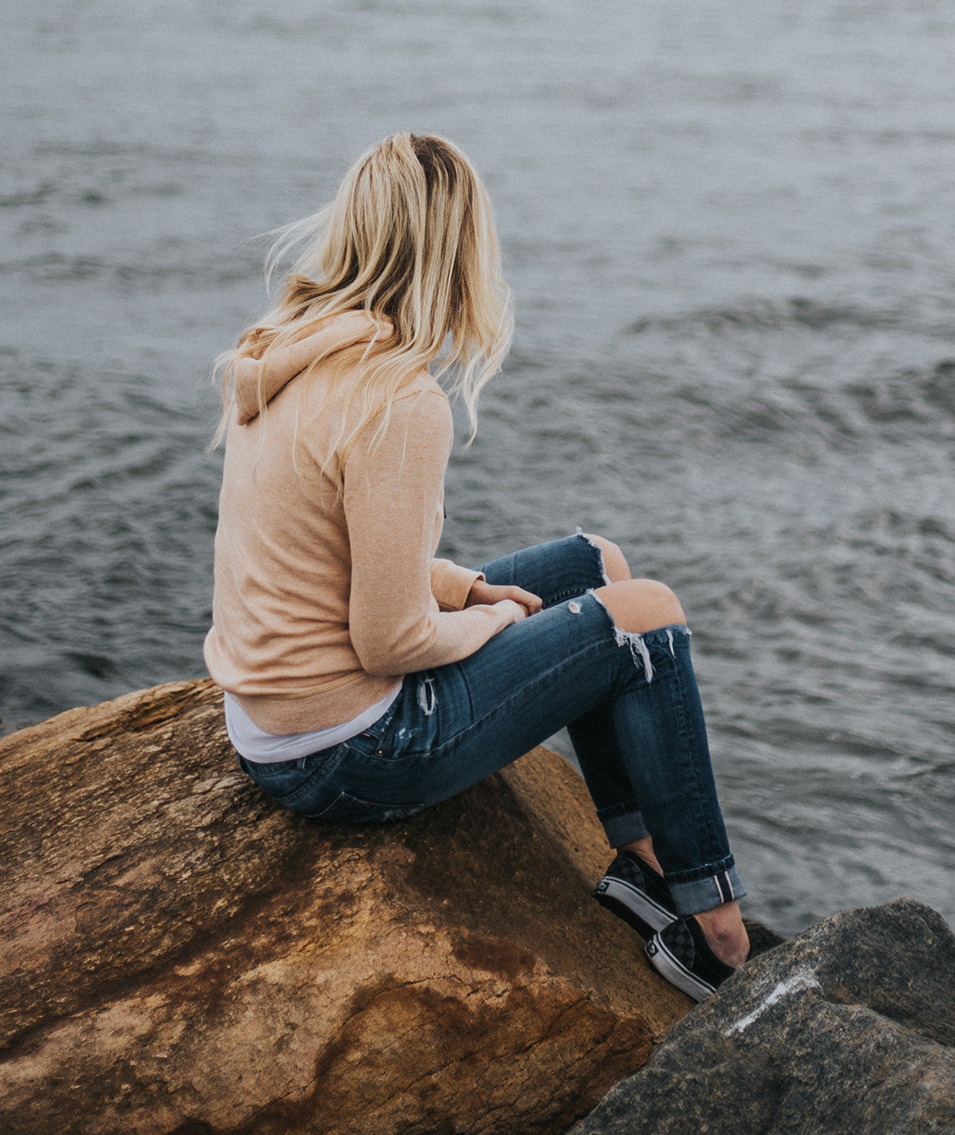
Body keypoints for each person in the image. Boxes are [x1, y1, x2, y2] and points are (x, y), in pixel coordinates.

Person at [205, 132, 754, 1002]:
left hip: (270, 723)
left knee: (595, 565)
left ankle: (648, 865)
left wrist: (461, 587)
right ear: (458, 250)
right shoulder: (396, 397)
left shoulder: (282, 349)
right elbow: (387, 642)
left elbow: (316, 544)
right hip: (350, 750)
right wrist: (496, 621)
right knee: (645, 614)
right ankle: (714, 929)